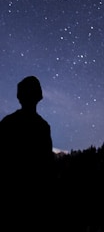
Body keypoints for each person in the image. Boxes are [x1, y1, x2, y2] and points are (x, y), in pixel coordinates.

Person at [0, 76, 55, 229]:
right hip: (32, 198)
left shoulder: (8, 123)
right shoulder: (43, 126)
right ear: (39, 96)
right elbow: (47, 166)